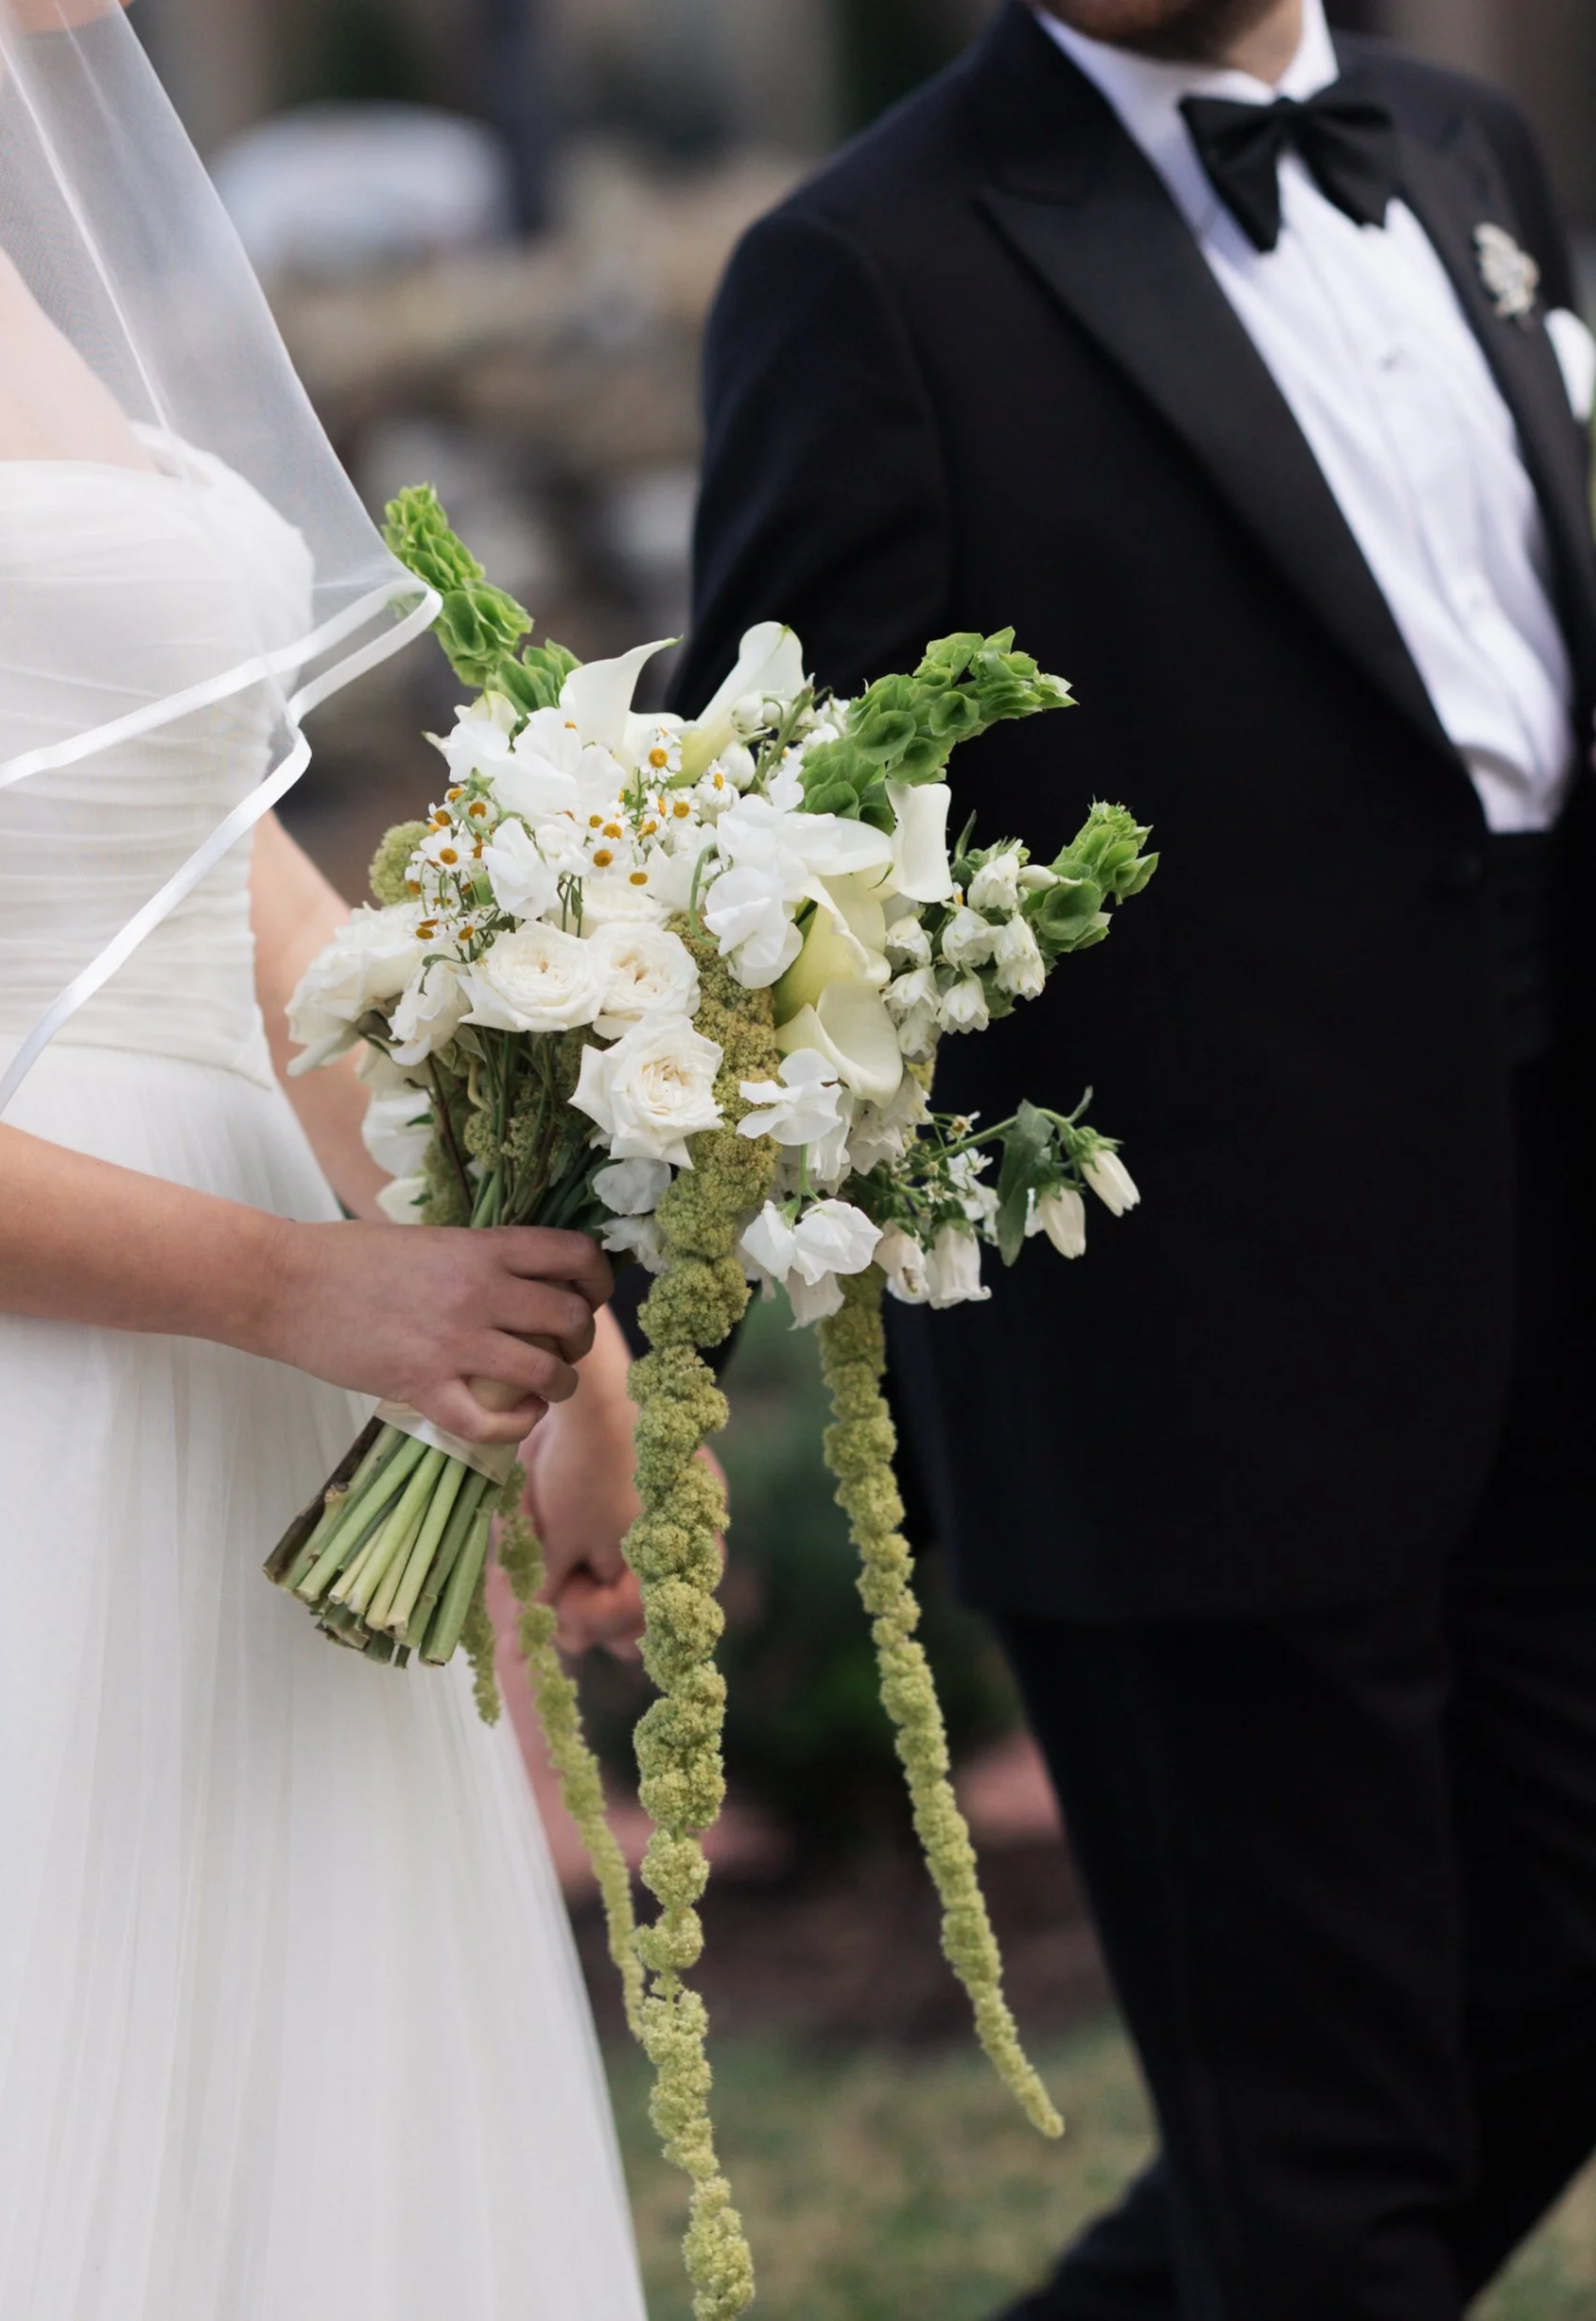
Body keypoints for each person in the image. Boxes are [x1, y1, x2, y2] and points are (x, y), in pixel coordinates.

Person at [676, 0, 1596, 2312]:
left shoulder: (1465, 150)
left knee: (1553, 1991)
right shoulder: (863, 269)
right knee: (1324, 2152)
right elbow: (753, 861)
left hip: (1554, 1215)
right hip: (1191, 1346)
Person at [0, 3, 647, 2312]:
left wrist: (511, 1256)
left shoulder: (4, 266)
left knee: (287, 2144)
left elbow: (216, 885)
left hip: (254, 1371)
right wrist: (300, 1287)